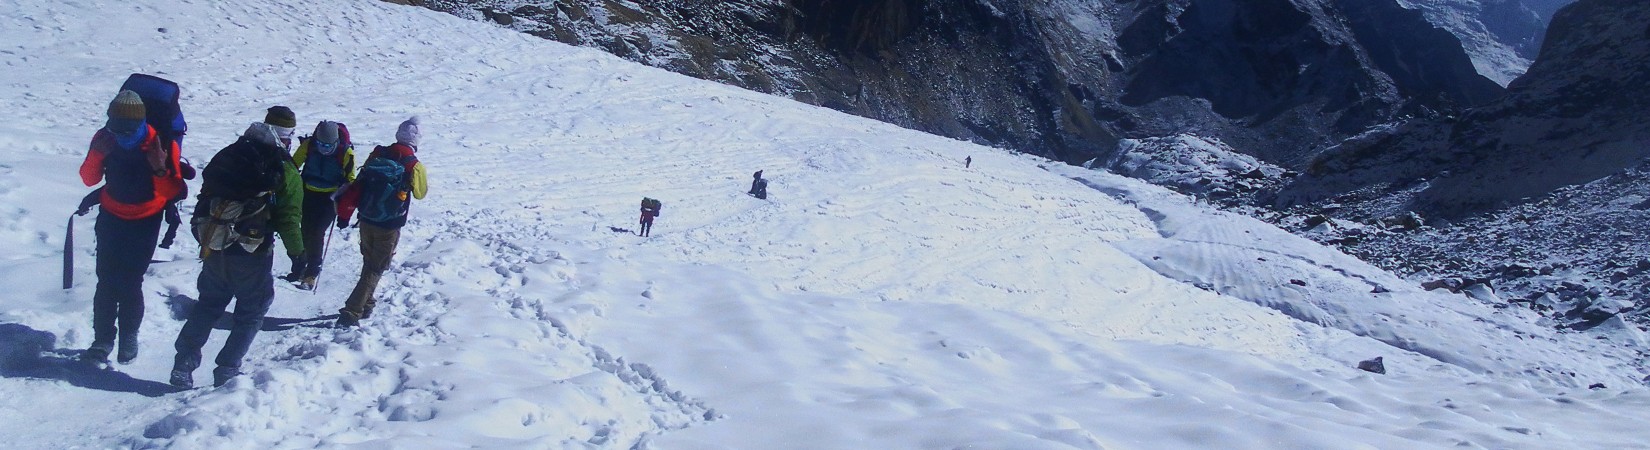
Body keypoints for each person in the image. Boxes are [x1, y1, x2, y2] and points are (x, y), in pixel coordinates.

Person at [170, 108, 304, 389]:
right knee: (253, 309)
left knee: (208, 304)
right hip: (251, 250)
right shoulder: (282, 167)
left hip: (214, 241)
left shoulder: (233, 152)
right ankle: (227, 369)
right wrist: (298, 254)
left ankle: (184, 362)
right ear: (287, 135)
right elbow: (289, 217)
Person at [77, 90, 186, 365]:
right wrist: (97, 155)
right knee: (105, 281)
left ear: (140, 122)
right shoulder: (104, 139)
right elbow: (89, 179)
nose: (121, 133)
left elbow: (174, 190)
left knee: (129, 283)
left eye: (127, 127)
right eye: (116, 126)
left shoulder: (159, 143)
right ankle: (102, 340)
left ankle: (128, 336)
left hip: (145, 221)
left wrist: (159, 168)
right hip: (111, 217)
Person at [333, 117, 428, 328]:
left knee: (369, 262)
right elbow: (421, 193)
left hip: (366, 217)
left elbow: (361, 180)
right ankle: (352, 310)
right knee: (376, 267)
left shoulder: (378, 153)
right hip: (390, 224)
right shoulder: (414, 165)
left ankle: (367, 303)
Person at [282, 120, 355, 290]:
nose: (323, 148)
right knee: (304, 230)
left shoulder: (346, 152)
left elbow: (351, 181)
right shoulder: (309, 145)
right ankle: (301, 267)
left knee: (316, 233)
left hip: (330, 198)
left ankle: (311, 274)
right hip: (307, 193)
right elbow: (293, 166)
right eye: (321, 144)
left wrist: (344, 209)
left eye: (328, 145)